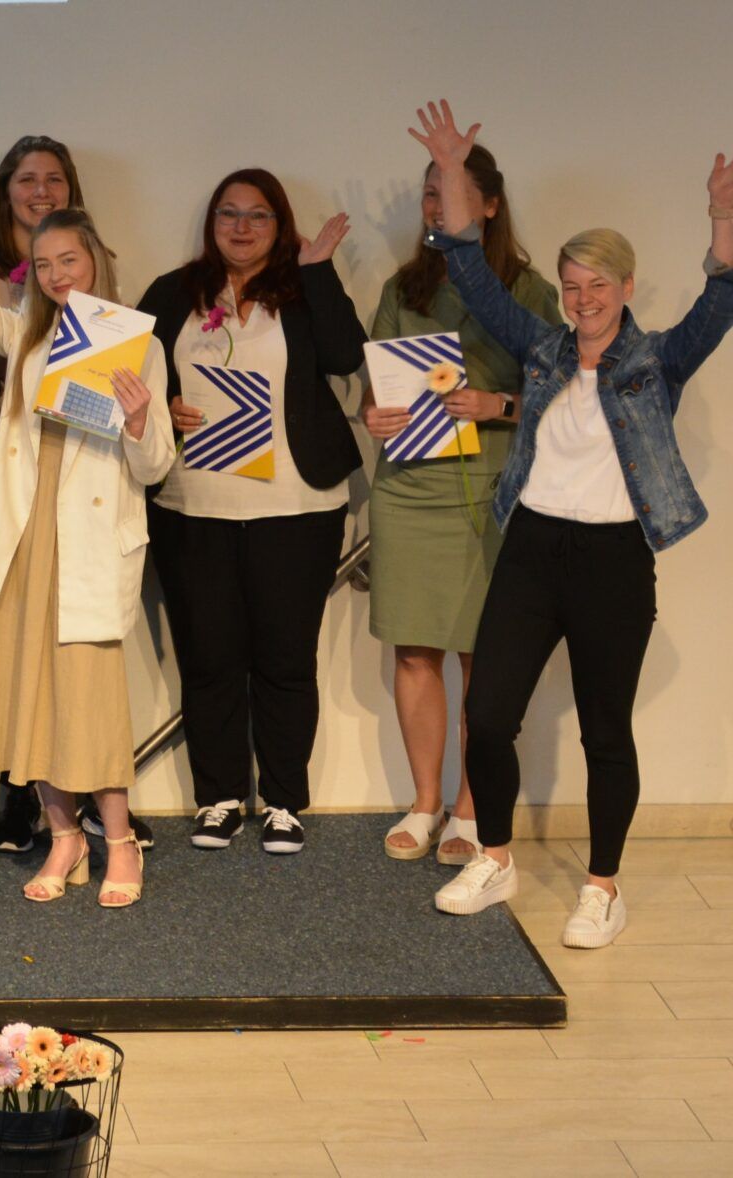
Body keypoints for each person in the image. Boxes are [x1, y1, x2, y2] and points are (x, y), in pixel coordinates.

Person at [414, 101, 733, 950]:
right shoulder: (543, 348)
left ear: (625, 288)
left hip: (611, 561)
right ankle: (496, 859)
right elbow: (470, 268)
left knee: (604, 732)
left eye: (599, 285)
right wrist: (453, 170)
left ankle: (602, 888)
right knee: (488, 716)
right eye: (573, 285)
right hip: (531, 550)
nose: (584, 299)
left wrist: (721, 216)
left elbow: (723, 296)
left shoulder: (658, 360)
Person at [0, 159, 172, 908]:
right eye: (46, 264)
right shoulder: (26, 335)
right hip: (24, 542)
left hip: (87, 544)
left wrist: (137, 421)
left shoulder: (137, 344)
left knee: (88, 701)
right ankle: (64, 838)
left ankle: (118, 841)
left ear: (96, 263)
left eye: (71, 261)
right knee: (28, 695)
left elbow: (156, 466)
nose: (59, 275)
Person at [137, 170, 365, 854]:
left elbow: (345, 357)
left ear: (280, 224)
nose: (241, 227)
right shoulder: (173, 292)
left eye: (258, 215)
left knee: (285, 660)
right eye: (228, 214)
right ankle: (220, 798)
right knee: (208, 658)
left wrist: (318, 270)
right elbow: (132, 374)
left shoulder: (302, 288)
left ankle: (285, 801)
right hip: (192, 506)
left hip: (297, 507)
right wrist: (165, 405)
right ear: (211, 223)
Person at [363, 143, 559, 866]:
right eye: (428, 193)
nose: (435, 205)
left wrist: (496, 404)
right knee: (414, 649)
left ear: (490, 205)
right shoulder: (404, 285)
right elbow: (376, 385)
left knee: (483, 657)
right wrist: (373, 414)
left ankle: (472, 809)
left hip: (491, 490)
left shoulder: (528, 290)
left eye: (448, 191)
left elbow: (562, 393)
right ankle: (426, 802)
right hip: (408, 488)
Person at [0, 136, 91, 310]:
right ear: (6, 192)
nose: (42, 191)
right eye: (28, 180)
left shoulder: (95, 261)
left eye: (53, 179)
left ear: (70, 190)